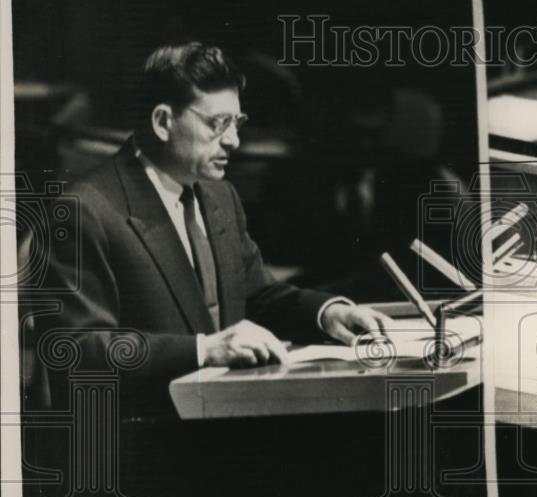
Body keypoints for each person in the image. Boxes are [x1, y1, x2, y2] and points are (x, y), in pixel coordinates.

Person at [40, 43, 394, 414]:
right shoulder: (84, 210)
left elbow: (255, 296)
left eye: (236, 123)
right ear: (163, 122)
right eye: (217, 123)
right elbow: (75, 348)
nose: (234, 141)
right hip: (146, 446)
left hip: (223, 427)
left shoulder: (219, 195)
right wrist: (204, 350)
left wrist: (327, 313)